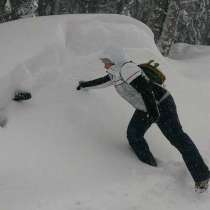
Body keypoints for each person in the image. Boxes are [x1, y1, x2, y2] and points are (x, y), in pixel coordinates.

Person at [76, 47, 209, 192]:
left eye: (106, 62)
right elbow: (102, 82)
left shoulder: (128, 69)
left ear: (113, 60)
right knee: (134, 134)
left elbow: (146, 90)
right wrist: (84, 85)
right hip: (146, 108)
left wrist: (153, 112)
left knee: (177, 138)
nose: (104, 65)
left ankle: (202, 176)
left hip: (161, 103)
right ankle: (149, 167)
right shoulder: (115, 73)